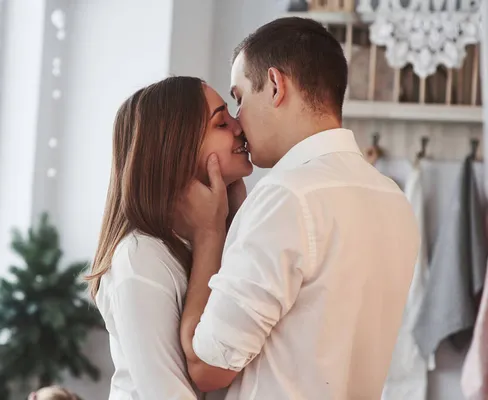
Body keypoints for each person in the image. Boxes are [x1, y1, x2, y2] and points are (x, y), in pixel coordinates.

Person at [177, 17, 421, 399]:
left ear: (275, 85)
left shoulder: (286, 196)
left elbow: (208, 367)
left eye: (239, 99)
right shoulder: (394, 199)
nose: (237, 124)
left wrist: (209, 235)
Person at [87, 76, 252, 399]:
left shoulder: (218, 230)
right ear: (178, 148)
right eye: (221, 123)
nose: (239, 126)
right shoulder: (140, 257)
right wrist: (211, 234)